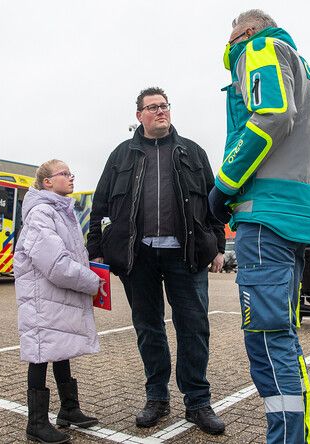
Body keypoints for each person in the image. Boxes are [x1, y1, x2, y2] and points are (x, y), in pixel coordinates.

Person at [209, 9, 310, 443]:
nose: (227, 49)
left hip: (265, 219)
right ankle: (300, 436)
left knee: (267, 340)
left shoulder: (258, 49)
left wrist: (224, 185)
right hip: (297, 221)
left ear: (244, 32)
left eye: (229, 39)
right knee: (281, 336)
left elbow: (272, 115)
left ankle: (287, 439)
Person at [87, 87, 226, 435]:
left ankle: (197, 401)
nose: (160, 112)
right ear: (139, 116)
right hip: (139, 257)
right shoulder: (122, 155)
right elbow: (100, 205)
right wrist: (97, 251)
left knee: (194, 327)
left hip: (187, 254)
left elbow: (214, 204)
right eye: (152, 107)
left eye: (164, 106)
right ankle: (157, 398)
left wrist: (219, 246)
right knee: (148, 328)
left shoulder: (193, 152)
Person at [15, 159, 102, 444]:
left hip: (55, 297)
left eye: (70, 172)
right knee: (40, 354)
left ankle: (69, 409)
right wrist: (91, 281)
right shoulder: (41, 213)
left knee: (60, 348)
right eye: (64, 173)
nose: (71, 177)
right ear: (48, 182)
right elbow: (55, 263)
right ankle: (36, 423)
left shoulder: (62, 211)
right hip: (43, 298)